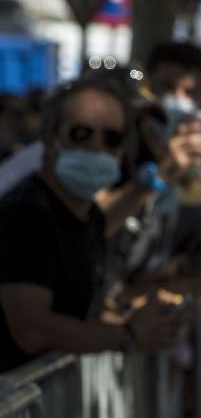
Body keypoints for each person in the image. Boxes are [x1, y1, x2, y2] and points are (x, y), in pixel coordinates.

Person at [0, 79, 185, 372]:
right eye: (80, 133)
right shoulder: (26, 215)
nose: (95, 147)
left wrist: (139, 320)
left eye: (111, 139)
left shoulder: (90, 217)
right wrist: (129, 335)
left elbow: (78, 314)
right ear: (49, 139)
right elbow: (33, 330)